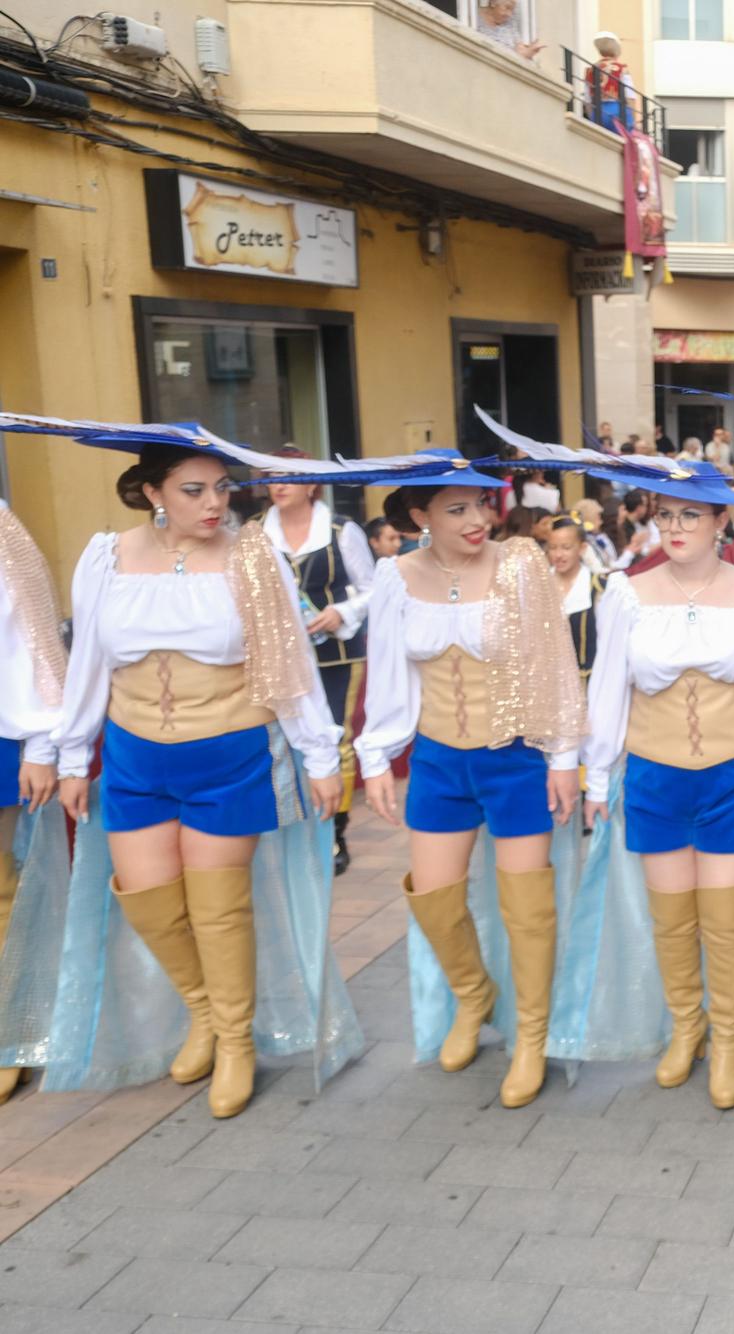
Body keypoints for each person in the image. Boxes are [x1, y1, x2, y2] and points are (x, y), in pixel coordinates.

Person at [49, 440, 350, 1117]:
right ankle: (205, 1013)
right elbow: (89, 661)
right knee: (148, 900)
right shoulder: (106, 556)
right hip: (133, 754)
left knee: (219, 910)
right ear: (153, 492)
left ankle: (236, 1041)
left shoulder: (252, 558)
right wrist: (73, 755)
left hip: (228, 750)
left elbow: (291, 661)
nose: (215, 503)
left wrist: (319, 754)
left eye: (222, 488)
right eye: (194, 490)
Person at [580, 462, 734, 1108]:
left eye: (691, 514)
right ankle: (686, 1028)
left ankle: (726, 1041)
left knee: (728, 919)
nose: (675, 527)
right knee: (672, 917)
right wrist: (596, 777)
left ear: (722, 520)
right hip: (655, 773)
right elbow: (607, 691)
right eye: (665, 514)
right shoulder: (626, 593)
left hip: (733, 776)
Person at [358, 471, 586, 1109]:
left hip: (515, 757)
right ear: (419, 515)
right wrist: (376, 756)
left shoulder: (521, 566)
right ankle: (472, 995)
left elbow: (554, 662)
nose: (475, 519)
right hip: (437, 759)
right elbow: (387, 670)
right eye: (456, 509)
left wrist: (563, 757)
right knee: (433, 896)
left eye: (480, 504)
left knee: (527, 907)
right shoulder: (396, 578)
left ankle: (531, 1037)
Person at [261, 461, 376, 876]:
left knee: (336, 736)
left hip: (335, 650)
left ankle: (335, 833)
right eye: (271, 477)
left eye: (287, 476)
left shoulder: (341, 530)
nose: (277, 485)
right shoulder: (254, 532)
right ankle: (294, 829)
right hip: (279, 653)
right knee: (284, 738)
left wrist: (340, 611)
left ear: (310, 484)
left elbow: (371, 589)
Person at [0, 498, 67, 1104]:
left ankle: (8, 1037)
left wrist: (43, 743)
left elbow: (37, 643)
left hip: (1, 735)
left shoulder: (3, 531)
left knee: (3, 892)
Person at [544, 517, 606, 681]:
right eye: (552, 548)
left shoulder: (597, 588)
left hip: (588, 684)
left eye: (566, 548)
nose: (558, 555)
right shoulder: (538, 586)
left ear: (582, 548)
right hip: (548, 684)